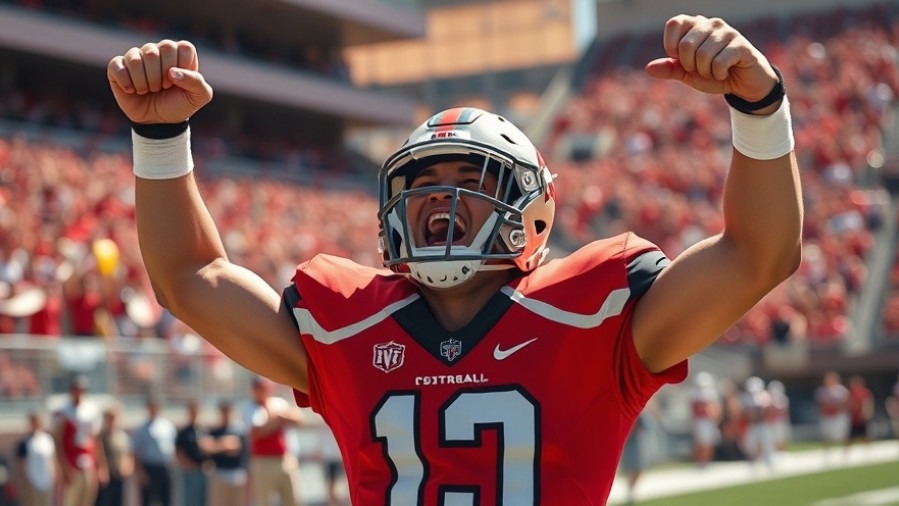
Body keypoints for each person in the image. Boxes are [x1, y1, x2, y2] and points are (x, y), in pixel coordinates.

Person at [107, 13, 802, 504]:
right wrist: (161, 136)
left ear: (531, 208)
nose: (441, 202)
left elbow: (757, 255)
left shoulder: (597, 311)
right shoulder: (343, 325)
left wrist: (759, 106)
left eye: (472, 182)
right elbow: (189, 279)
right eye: (422, 186)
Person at [240, 376, 303, 506]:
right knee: (265, 501)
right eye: (258, 388)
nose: (261, 391)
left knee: (293, 500)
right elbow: (256, 432)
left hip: (285, 459)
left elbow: (298, 419)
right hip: (263, 462)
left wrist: (277, 418)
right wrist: (278, 421)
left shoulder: (278, 403)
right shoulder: (249, 408)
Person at [53, 374, 108, 506]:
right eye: (76, 389)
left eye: (82, 389)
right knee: (69, 501)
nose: (79, 393)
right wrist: (62, 467)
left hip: (87, 464)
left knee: (87, 500)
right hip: (70, 463)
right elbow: (58, 442)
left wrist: (101, 466)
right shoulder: (62, 412)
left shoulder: (91, 410)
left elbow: (95, 441)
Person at [131, 396, 176, 506]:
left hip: (165, 468)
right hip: (149, 468)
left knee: (167, 500)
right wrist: (140, 472)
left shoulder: (168, 426)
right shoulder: (141, 429)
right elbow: (136, 452)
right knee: (148, 500)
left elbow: (172, 446)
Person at [206, 400, 248, 506]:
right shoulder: (214, 431)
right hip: (219, 473)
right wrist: (225, 444)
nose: (225, 413)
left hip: (237, 475)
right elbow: (207, 447)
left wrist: (217, 444)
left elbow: (236, 449)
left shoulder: (239, 431)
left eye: (227, 410)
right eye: (223, 410)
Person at [95, 404, 134, 506]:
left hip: (119, 476)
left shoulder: (122, 436)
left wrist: (127, 466)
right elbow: (97, 453)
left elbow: (128, 454)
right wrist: (101, 469)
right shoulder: (100, 436)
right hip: (105, 477)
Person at [14, 411, 57, 506]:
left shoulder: (48, 439)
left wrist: (54, 477)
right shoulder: (24, 442)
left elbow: (52, 460)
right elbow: (21, 464)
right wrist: (25, 482)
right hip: (32, 481)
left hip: (47, 480)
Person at [175, 399, 209, 506]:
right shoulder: (184, 432)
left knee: (203, 501)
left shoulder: (203, 430)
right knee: (190, 501)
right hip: (190, 471)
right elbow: (179, 453)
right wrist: (189, 465)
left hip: (204, 471)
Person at [815, 371, 849, 463]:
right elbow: (821, 405)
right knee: (826, 436)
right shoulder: (821, 391)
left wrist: (837, 407)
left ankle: (845, 453)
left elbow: (846, 403)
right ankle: (826, 454)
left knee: (843, 435)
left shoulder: (842, 390)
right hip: (827, 416)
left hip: (839, 416)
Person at [689, 371, 721, 468]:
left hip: (709, 421)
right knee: (702, 442)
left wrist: (716, 417)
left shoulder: (711, 393)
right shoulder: (694, 393)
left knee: (710, 442)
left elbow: (715, 408)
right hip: (700, 421)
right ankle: (700, 461)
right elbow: (694, 410)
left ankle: (706, 461)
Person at [618, 411, 650, 505]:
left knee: (638, 468)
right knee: (631, 467)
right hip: (627, 443)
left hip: (636, 443)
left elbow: (645, 427)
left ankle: (631, 489)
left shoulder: (639, 412)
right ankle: (630, 490)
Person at [845, 375, 874, 453]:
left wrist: (866, 413)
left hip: (862, 417)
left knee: (865, 435)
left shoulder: (865, 392)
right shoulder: (851, 392)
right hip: (854, 417)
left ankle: (867, 451)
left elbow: (867, 403)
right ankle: (847, 452)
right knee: (850, 436)